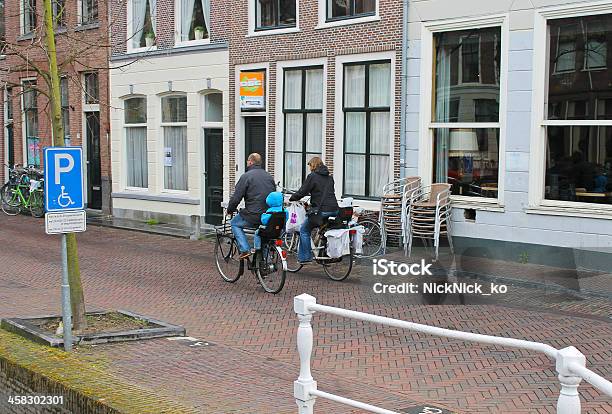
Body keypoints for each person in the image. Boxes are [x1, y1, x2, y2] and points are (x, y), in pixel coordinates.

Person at [289, 157, 339, 264]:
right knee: (324, 230)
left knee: (304, 230)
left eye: (310, 166)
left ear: (313, 165)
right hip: (334, 209)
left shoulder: (312, 176)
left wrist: (293, 198)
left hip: (322, 210)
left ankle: (306, 257)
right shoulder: (330, 178)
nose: (309, 168)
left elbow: (303, 191)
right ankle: (324, 253)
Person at [227, 153, 276, 259]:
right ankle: (264, 264)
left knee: (234, 223)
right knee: (263, 234)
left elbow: (236, 198)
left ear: (250, 162)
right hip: (268, 215)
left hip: (254, 215)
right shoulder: (269, 176)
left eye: (247, 161)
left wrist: (230, 210)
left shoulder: (246, 176)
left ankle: (245, 249)